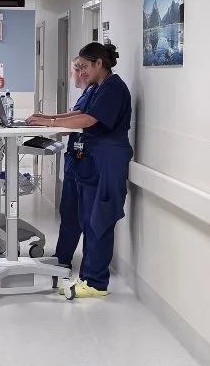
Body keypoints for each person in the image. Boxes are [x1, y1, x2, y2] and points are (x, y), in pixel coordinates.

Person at [27, 43, 132, 299]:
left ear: (99, 64)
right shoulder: (98, 87)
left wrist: (50, 122)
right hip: (93, 161)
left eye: (84, 67)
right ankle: (87, 278)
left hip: (107, 162)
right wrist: (49, 118)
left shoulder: (114, 88)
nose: (81, 72)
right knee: (87, 220)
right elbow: (81, 113)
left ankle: (96, 283)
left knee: (99, 222)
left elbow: (88, 120)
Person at [31, 57, 96, 270]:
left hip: (85, 163)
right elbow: (75, 115)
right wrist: (47, 117)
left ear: (81, 71)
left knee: (79, 214)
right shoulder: (87, 94)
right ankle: (62, 258)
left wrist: (49, 121)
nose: (71, 76)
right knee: (69, 211)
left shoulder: (96, 92)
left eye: (72, 71)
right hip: (76, 160)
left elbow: (77, 122)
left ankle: (79, 264)